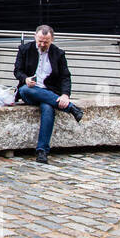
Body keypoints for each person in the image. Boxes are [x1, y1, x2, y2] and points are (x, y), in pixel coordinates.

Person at [13, 25, 83, 162]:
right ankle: (71, 108)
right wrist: (25, 79)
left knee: (48, 108)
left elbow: (65, 77)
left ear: (52, 40)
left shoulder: (58, 53)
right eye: (40, 41)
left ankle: (42, 151)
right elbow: (17, 71)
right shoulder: (25, 49)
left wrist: (65, 95)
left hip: (48, 92)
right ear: (35, 37)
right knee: (27, 89)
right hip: (29, 90)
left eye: (46, 42)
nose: (42, 44)